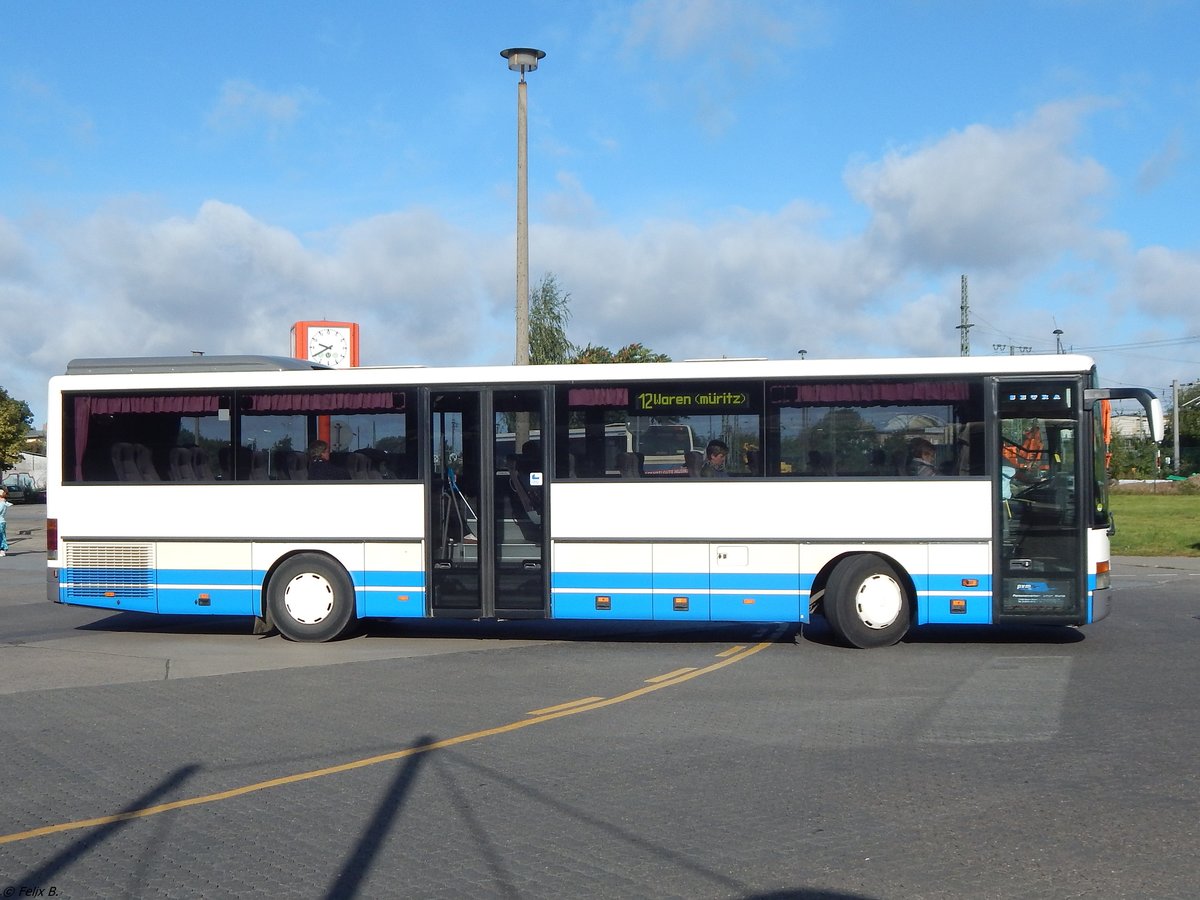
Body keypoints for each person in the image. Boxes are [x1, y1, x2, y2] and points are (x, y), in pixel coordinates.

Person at [0, 488, 10, 556]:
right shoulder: (3, 503)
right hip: (1, 522)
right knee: (1, 536)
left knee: (1, 536)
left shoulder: (2, 503)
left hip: (0, 522)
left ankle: (2, 550)